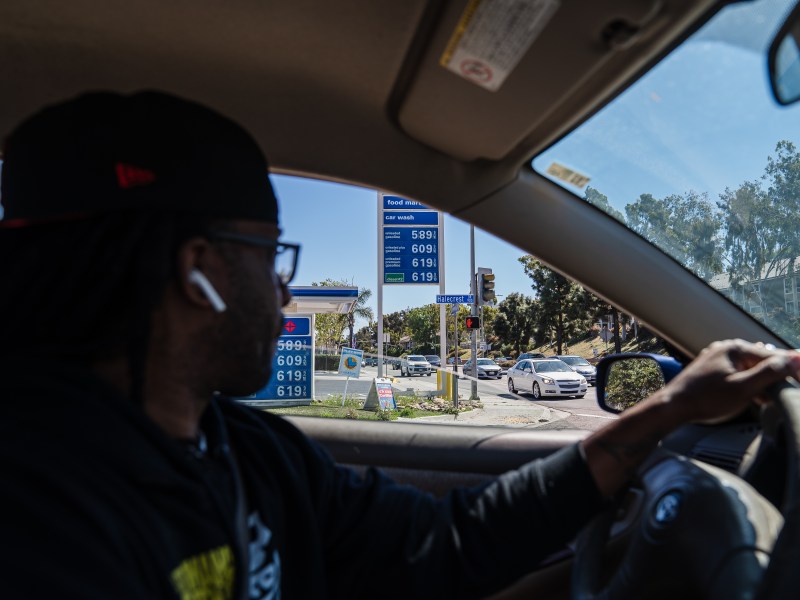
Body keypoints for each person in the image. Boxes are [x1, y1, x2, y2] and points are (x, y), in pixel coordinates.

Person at [1, 91, 799, 599]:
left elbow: (444, 545)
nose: (283, 289)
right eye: (272, 254)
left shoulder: (244, 450)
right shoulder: (41, 513)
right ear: (198, 269)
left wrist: (667, 409)